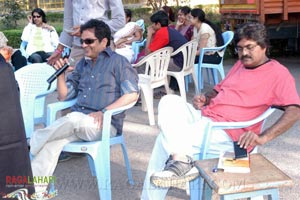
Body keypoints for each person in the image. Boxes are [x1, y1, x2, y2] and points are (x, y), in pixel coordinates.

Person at [140, 22, 300, 200]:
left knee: (163, 141)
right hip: (206, 118)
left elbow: (294, 111)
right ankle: (181, 160)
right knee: (169, 101)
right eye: (239, 49)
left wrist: (264, 137)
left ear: (264, 46)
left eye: (249, 47)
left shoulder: (278, 74)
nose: (244, 53)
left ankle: (178, 165)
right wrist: (206, 98)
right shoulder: (241, 64)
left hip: (226, 133)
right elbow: (218, 90)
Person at [29, 19, 139, 198]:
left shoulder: (119, 63)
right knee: (52, 144)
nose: (84, 45)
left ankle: (32, 143)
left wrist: (104, 111)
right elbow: (64, 96)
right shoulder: (82, 65)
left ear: (104, 42)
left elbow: (132, 94)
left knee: (73, 119)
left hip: (103, 125)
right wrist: (62, 75)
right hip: (77, 123)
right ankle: (34, 191)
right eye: (82, 41)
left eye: (89, 41)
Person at [47, 0, 126, 66]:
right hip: (78, 47)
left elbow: (119, 21)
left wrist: (87, 30)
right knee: (70, 79)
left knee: (102, 81)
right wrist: (59, 50)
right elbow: (69, 24)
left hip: (100, 46)